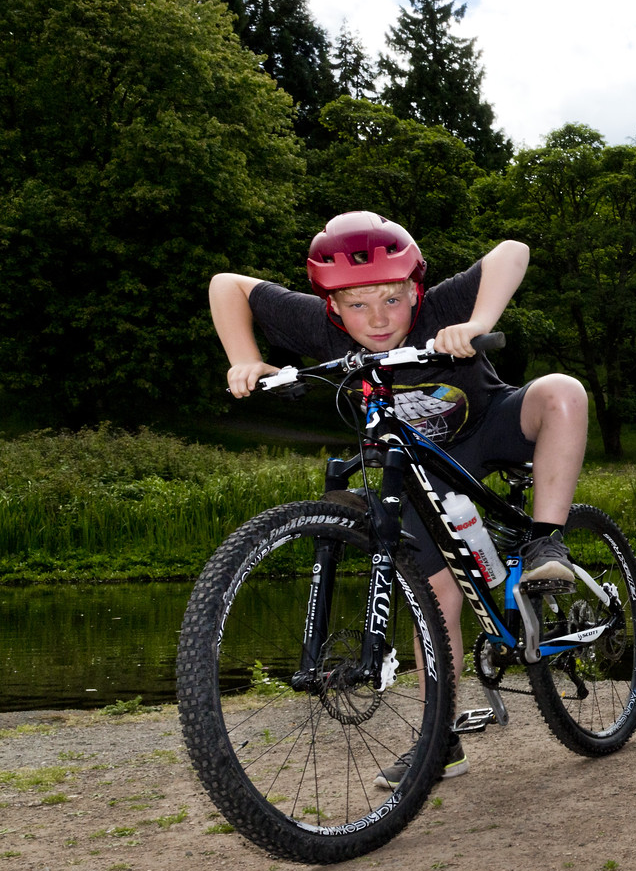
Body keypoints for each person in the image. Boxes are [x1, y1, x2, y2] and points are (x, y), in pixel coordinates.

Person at [209, 212, 592, 785]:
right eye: (357, 305)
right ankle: (442, 737)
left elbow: (513, 249)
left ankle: (544, 542)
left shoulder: (437, 308)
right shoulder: (320, 324)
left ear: (415, 288)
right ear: (332, 307)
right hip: (411, 467)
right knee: (434, 599)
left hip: (490, 427)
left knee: (564, 391)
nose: (379, 318)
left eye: (393, 299)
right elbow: (227, 285)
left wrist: (477, 323)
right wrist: (243, 356)